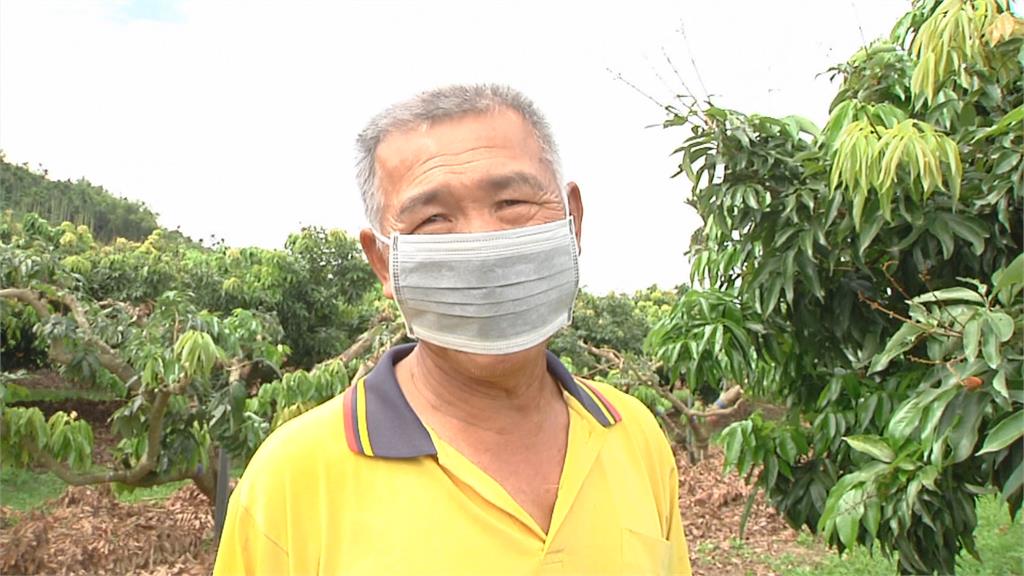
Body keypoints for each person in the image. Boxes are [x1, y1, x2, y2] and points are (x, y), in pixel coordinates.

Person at [213, 84, 692, 575]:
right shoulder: (291, 480)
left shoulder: (633, 435)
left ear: (573, 221)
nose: (482, 243)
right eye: (433, 218)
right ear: (383, 263)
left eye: (511, 201)